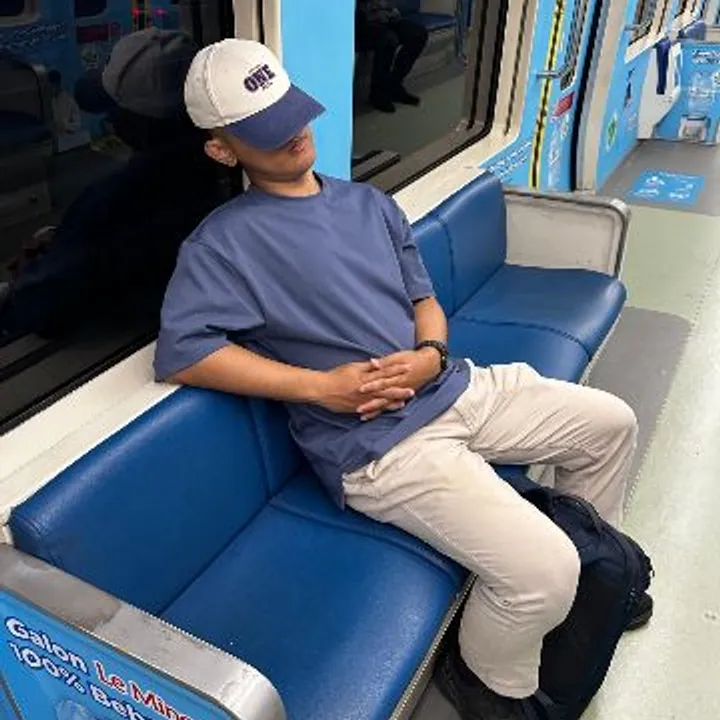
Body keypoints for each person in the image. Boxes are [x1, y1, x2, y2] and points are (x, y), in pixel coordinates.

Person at [154, 40, 651, 720]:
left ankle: (601, 569)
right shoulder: (222, 244)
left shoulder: (368, 203)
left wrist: (432, 354)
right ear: (222, 150)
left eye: (293, 113)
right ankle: (488, 682)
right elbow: (185, 353)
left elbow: (424, 303)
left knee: (611, 424)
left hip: (451, 386)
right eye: (267, 129)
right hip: (377, 447)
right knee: (542, 570)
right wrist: (320, 388)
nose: (295, 134)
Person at [0, 29, 226, 343]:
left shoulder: (112, 204)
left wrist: (32, 271)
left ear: (138, 123)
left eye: (114, 111)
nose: (111, 120)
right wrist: (64, 239)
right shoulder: (222, 169)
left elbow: (36, 310)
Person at [355, 0, 428, 112]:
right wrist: (376, 11)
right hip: (361, 21)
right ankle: (378, 93)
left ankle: (394, 85)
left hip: (385, 18)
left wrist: (390, 10)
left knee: (418, 34)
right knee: (388, 39)